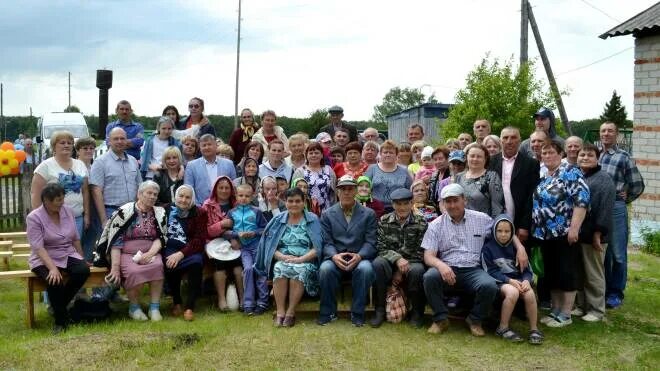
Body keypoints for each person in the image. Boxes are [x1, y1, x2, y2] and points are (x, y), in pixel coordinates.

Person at [422, 183, 499, 336]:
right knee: (429, 277)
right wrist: (441, 266)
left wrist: (520, 248)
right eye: (447, 201)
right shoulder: (436, 225)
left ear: (464, 200)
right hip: (448, 268)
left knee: (489, 285)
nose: (452, 205)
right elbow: (428, 256)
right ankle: (440, 319)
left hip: (473, 269)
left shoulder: (482, 219)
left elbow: (505, 227)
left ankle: (475, 320)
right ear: (443, 204)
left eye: (455, 200)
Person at [532, 142, 589, 328]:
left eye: (550, 152)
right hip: (545, 234)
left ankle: (566, 314)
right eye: (544, 153)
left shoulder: (570, 172)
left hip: (564, 232)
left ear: (560, 154)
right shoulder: (545, 176)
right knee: (552, 273)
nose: (547, 156)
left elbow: (582, 200)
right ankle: (555, 310)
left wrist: (574, 228)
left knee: (566, 272)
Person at [27, 183, 90, 334]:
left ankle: (58, 307)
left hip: (66, 252)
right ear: (46, 201)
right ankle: (60, 322)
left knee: (83, 270)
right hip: (43, 256)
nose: (62, 202)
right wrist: (53, 268)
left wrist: (81, 258)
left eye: (62, 198)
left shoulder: (67, 211)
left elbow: (75, 238)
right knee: (54, 279)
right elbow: (38, 247)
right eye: (58, 200)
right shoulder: (34, 217)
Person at [254, 187, 322, 327]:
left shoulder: (312, 219)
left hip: (306, 260)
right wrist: (283, 257)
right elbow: (270, 246)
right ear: (285, 202)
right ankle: (280, 312)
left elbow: (318, 248)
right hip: (283, 259)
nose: (294, 204)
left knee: (299, 269)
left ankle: (290, 312)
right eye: (290, 201)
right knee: (279, 269)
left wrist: (300, 259)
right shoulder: (278, 219)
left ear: (304, 202)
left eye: (298, 201)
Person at [100, 181, 168, 321]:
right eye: (149, 193)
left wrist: (150, 253)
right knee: (134, 271)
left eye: (155, 194)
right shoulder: (125, 212)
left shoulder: (159, 213)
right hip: (126, 253)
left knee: (158, 266)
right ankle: (134, 307)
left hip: (151, 251)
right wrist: (115, 268)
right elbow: (115, 242)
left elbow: (160, 238)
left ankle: (154, 307)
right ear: (139, 194)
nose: (152, 197)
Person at [318, 175, 377, 327]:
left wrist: (360, 256)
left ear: (356, 191)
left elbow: (371, 242)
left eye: (350, 189)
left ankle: (357, 313)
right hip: (335, 257)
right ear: (337, 192)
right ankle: (328, 312)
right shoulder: (327, 214)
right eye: (343, 189)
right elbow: (326, 242)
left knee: (365, 269)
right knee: (325, 269)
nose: (346, 192)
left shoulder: (368, 214)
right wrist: (333, 256)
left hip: (360, 257)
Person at [598, 122, 645, 309]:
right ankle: (605, 289)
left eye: (610, 131)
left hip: (615, 207)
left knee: (617, 253)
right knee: (604, 253)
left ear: (617, 135)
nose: (606, 134)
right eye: (603, 131)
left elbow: (637, 184)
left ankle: (616, 292)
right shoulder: (594, 153)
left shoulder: (623, 157)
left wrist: (625, 199)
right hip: (597, 208)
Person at [371, 188, 428, 328]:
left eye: (405, 203)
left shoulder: (421, 222)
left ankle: (416, 312)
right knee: (378, 264)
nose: (402, 207)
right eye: (398, 204)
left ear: (411, 203)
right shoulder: (384, 220)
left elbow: (422, 250)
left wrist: (401, 270)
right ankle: (379, 310)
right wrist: (397, 259)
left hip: (413, 261)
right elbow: (380, 246)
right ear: (393, 204)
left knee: (417, 271)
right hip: (390, 261)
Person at [481, 214, 542, 344]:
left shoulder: (518, 249)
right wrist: (509, 281)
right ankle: (502, 328)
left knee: (529, 293)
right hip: (499, 282)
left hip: (518, 281)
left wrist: (526, 280)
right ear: (493, 231)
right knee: (512, 293)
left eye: (507, 231)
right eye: (499, 231)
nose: (503, 234)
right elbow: (490, 270)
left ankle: (534, 329)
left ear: (512, 232)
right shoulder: (488, 248)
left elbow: (527, 270)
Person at [576, 144, 615, 322]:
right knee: (580, 272)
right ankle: (581, 305)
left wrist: (598, 233)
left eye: (589, 155)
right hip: (579, 234)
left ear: (597, 158)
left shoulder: (603, 179)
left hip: (594, 235)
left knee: (594, 274)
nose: (585, 157)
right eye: (582, 154)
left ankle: (596, 310)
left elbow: (605, 209)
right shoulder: (577, 176)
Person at [31, 131, 89, 245]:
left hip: (77, 218)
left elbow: (85, 191)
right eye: (62, 143)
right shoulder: (45, 166)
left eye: (70, 143)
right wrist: (41, 218)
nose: (66, 145)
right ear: (54, 146)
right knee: (57, 251)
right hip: (53, 219)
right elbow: (35, 194)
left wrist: (86, 215)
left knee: (75, 252)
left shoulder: (80, 165)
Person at [488, 126, 540, 245]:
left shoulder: (531, 164)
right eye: (505, 138)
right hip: (494, 221)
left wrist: (524, 225)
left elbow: (531, 197)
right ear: (500, 141)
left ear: (519, 141)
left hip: (519, 223)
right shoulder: (490, 162)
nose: (509, 141)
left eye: (513, 137)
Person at [163, 185, 207, 321]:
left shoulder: (199, 212)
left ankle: (189, 307)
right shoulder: (165, 210)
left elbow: (199, 239)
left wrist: (181, 253)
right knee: (170, 263)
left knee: (196, 263)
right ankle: (177, 302)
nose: (183, 200)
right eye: (181, 196)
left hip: (190, 248)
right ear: (175, 196)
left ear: (192, 199)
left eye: (188, 197)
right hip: (169, 247)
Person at [225, 184, 269, 315]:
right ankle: (248, 303)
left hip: (257, 246)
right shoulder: (232, 213)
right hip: (244, 248)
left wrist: (254, 233)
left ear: (252, 196)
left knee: (259, 270)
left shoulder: (256, 211)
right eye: (241, 195)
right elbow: (226, 232)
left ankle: (263, 302)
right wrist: (236, 235)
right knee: (248, 269)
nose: (243, 198)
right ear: (236, 196)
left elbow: (265, 229)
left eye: (247, 196)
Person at [202, 176, 242, 311]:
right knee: (220, 265)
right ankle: (222, 300)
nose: (224, 190)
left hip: (235, 242)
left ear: (231, 190)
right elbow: (207, 231)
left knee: (238, 267)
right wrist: (222, 224)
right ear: (215, 189)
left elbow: (242, 226)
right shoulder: (207, 205)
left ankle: (243, 299)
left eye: (227, 188)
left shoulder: (238, 205)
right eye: (221, 188)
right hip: (213, 244)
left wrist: (233, 237)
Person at [90, 127, 142, 225]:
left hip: (132, 211)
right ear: (109, 141)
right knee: (115, 241)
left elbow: (140, 186)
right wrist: (103, 219)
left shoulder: (133, 161)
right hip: (111, 212)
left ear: (126, 140)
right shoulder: (100, 162)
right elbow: (96, 192)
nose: (119, 141)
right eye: (116, 139)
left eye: (122, 138)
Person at [184, 134, 237, 206]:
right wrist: (198, 208)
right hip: (200, 209)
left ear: (216, 145)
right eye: (204, 145)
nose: (207, 147)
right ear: (200, 147)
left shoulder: (229, 164)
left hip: (225, 209)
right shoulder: (191, 165)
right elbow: (188, 189)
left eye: (209, 144)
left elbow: (234, 188)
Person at [455, 144, 505, 218]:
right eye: (472, 156)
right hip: (459, 223)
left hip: (484, 224)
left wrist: (494, 226)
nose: (475, 159)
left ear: (485, 159)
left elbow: (497, 206)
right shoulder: (458, 177)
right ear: (467, 157)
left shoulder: (491, 177)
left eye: (479, 156)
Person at [365, 140, 413, 212]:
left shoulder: (404, 170)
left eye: (391, 152)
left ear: (396, 155)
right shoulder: (372, 168)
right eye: (385, 152)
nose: (388, 155)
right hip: (375, 208)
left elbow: (410, 190)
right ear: (380, 154)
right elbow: (364, 187)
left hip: (398, 209)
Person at [293, 142, 337, 214]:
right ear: (306, 155)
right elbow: (294, 192)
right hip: (306, 211)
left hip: (327, 210)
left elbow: (334, 192)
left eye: (316, 153)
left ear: (322, 155)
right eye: (311, 153)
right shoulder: (300, 171)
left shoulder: (329, 170)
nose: (314, 155)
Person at [74, 137, 99, 262]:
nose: (89, 150)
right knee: (78, 237)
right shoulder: (74, 167)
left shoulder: (96, 166)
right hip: (78, 207)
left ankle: (87, 261)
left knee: (91, 237)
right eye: (85, 148)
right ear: (78, 151)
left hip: (95, 206)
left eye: (91, 148)